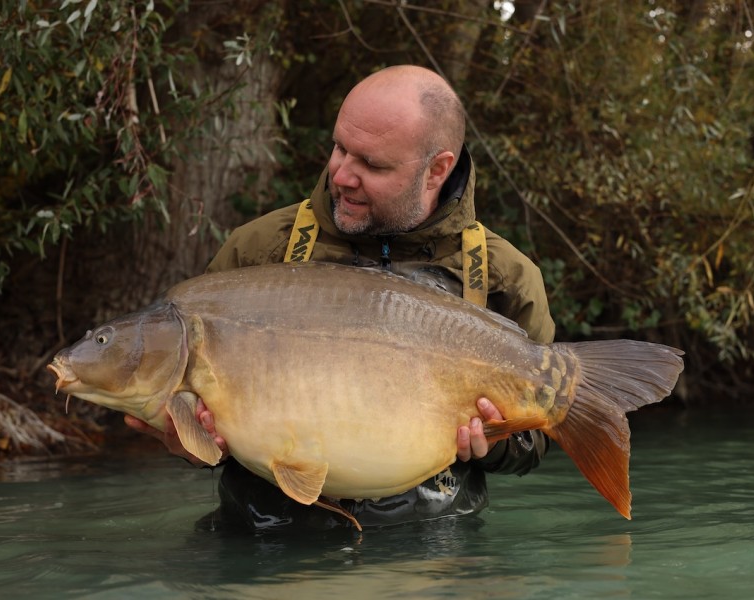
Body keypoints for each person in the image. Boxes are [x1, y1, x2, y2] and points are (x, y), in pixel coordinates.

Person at [125, 64, 556, 531]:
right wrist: (187, 443)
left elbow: (535, 445)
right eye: (339, 148)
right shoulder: (258, 249)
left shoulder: (504, 277)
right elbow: (204, 429)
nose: (341, 175)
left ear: (437, 170)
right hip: (264, 545)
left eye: (371, 164)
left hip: (434, 553)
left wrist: (496, 441)